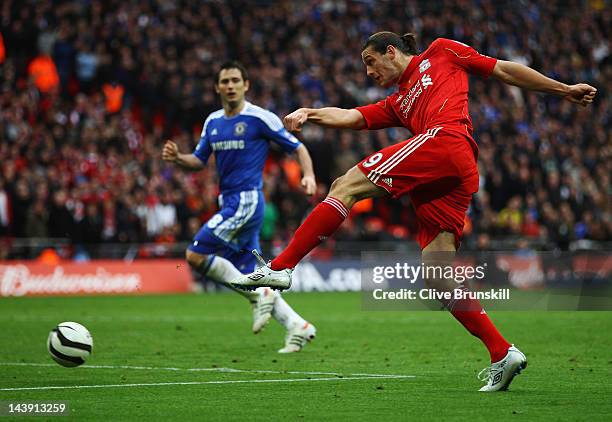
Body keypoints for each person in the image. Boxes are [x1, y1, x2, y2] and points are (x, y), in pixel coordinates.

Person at [231, 32, 597, 388]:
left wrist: (562, 89)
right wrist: (310, 113)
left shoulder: (442, 51)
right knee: (438, 274)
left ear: (391, 51)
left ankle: (280, 267)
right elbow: (352, 116)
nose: (369, 73)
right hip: (452, 173)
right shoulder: (399, 102)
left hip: (446, 141)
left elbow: (503, 69)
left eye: (371, 62)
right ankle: (503, 353)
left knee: (345, 186)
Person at [162, 61, 317, 353]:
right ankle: (297, 325)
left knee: (195, 255)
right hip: (230, 201)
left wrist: (308, 175)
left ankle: (262, 297)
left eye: (236, 80)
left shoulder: (260, 118)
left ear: (246, 85)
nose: (230, 86)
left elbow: (297, 147)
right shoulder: (212, 122)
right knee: (252, 273)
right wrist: (178, 158)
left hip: (247, 200)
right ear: (217, 87)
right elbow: (198, 161)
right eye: (225, 81)